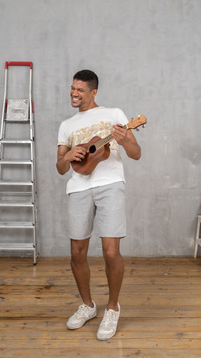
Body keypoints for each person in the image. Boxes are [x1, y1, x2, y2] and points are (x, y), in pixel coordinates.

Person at [56, 69, 141, 341]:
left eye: (80, 90)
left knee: (110, 251)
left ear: (93, 92)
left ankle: (112, 308)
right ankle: (88, 305)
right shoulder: (66, 125)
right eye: (72, 88)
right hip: (78, 188)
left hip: (110, 185)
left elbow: (136, 154)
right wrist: (68, 154)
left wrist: (126, 138)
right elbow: (60, 168)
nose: (74, 93)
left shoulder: (114, 114)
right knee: (77, 253)